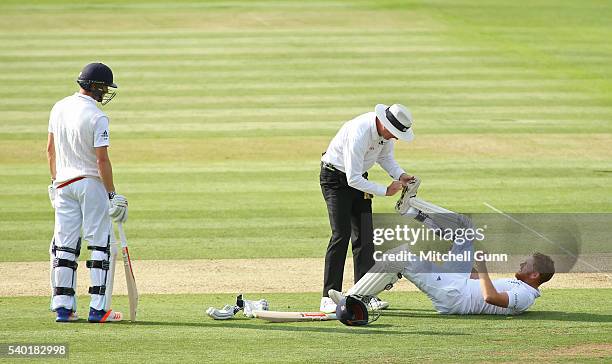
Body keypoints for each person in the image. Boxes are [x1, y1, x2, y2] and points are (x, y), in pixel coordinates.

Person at [330, 193, 555, 323]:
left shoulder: (525, 296)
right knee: (467, 230)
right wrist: (465, 260)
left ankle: (350, 299)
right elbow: (479, 287)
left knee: (401, 256)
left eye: (527, 264)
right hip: (460, 283)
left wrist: (482, 267)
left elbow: (490, 298)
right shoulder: (520, 285)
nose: (522, 263)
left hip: (453, 296)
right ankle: (411, 208)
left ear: (534, 274)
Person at [47, 62, 128, 323]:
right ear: (95, 87)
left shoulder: (59, 107)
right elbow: (101, 161)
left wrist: (53, 182)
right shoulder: (97, 116)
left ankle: (63, 309)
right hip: (90, 183)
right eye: (104, 87)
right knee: (99, 244)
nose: (105, 92)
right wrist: (112, 194)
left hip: (62, 184)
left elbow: (50, 150)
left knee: (65, 246)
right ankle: (98, 309)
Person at [319, 103, 416, 313]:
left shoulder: (386, 134)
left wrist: (400, 175)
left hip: (358, 180)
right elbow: (351, 177)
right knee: (341, 235)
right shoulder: (360, 131)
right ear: (384, 122)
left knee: (364, 237)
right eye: (395, 132)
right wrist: (385, 190)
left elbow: (385, 158)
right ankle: (328, 296)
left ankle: (363, 294)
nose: (396, 137)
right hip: (335, 179)